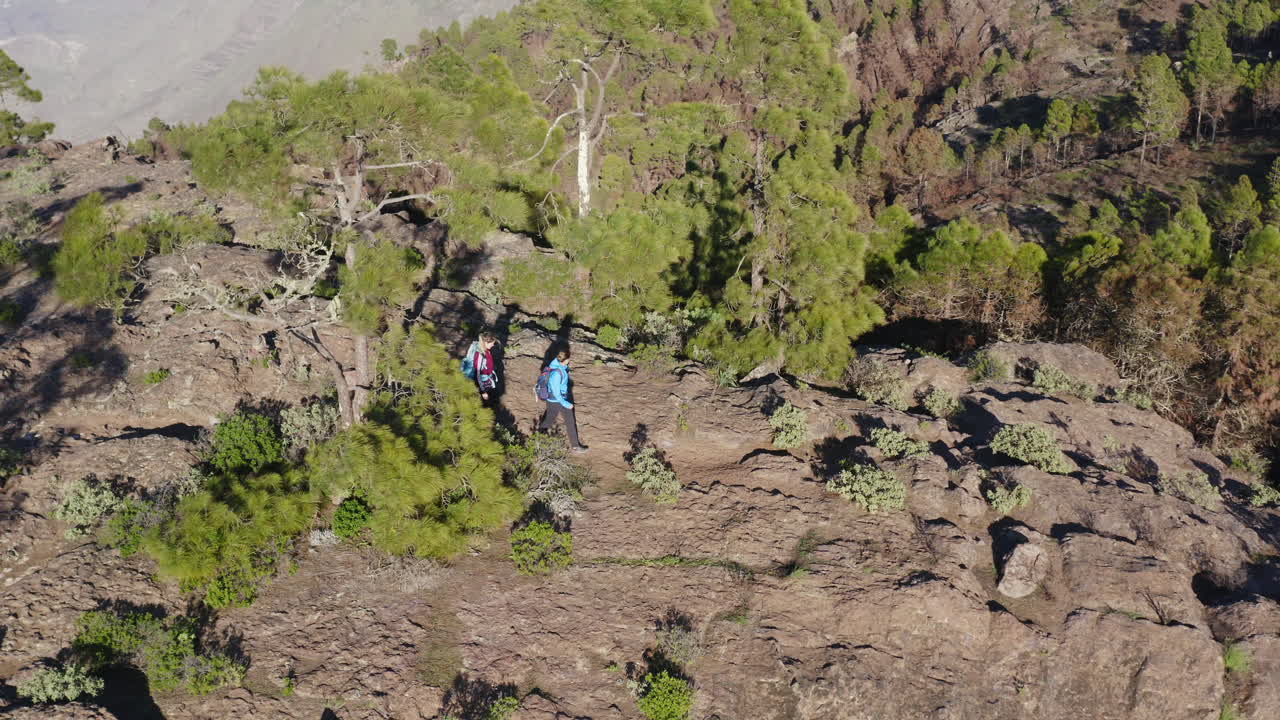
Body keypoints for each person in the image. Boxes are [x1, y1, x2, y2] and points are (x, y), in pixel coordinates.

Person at [537, 349, 587, 452]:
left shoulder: (556, 365)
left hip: (552, 400)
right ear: (566, 359)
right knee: (569, 422)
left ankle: (538, 437)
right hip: (558, 400)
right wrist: (566, 403)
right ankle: (575, 446)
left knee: (549, 419)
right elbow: (556, 392)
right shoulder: (557, 373)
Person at [472, 332, 500, 401]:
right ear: (486, 342)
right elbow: (477, 374)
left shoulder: (486, 350)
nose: (493, 345)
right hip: (482, 384)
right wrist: (483, 391)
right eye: (492, 343)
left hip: (487, 379)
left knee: (490, 396)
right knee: (484, 401)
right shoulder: (479, 355)